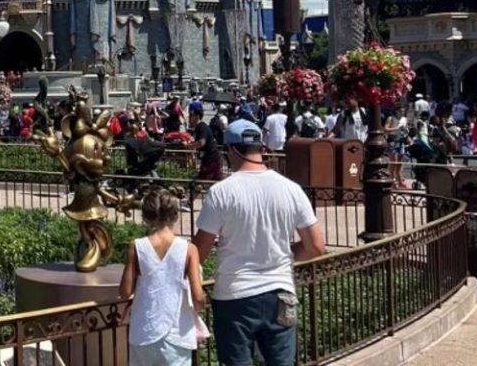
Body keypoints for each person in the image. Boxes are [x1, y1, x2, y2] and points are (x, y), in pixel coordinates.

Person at [192, 120, 325, 366]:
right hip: (280, 291)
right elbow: (316, 246)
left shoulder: (221, 192)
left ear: (231, 150)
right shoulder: (291, 189)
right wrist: (286, 254)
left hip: (235, 295)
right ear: (261, 148)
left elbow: (198, 252)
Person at [119, 189, 206, 366]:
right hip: (177, 333)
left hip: (144, 331)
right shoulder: (189, 249)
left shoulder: (136, 246)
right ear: (175, 216)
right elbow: (198, 297)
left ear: (146, 217)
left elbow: (125, 292)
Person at [187, 102, 223, 182]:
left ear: (197, 116)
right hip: (208, 158)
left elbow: (201, 142)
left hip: (211, 158)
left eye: (191, 115)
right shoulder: (198, 128)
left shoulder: (202, 127)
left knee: (204, 181)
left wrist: (189, 146)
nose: (189, 118)